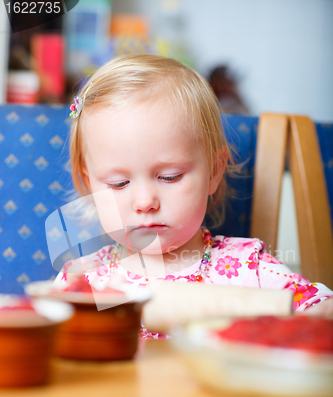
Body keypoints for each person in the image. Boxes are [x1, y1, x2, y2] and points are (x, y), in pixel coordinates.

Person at [54, 54, 333, 338]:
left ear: (213, 172)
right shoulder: (83, 280)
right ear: (89, 187)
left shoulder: (250, 268)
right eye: (118, 183)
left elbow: (319, 313)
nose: (145, 202)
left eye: (169, 177)